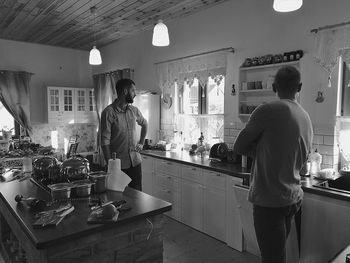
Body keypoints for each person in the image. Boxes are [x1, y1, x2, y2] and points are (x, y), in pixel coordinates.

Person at [233, 66, 313, 263]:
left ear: (274, 87)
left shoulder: (267, 110)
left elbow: (238, 146)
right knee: (277, 255)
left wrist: (260, 153)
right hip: (292, 198)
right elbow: (302, 165)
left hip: (270, 201)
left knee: (272, 258)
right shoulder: (305, 117)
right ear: (299, 87)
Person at [100, 78, 148, 191]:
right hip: (119, 165)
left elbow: (145, 124)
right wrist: (110, 164)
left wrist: (141, 143)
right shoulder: (108, 113)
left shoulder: (134, 110)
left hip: (135, 162)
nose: (135, 94)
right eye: (133, 91)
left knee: (138, 197)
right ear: (125, 91)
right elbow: (104, 141)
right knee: (119, 198)